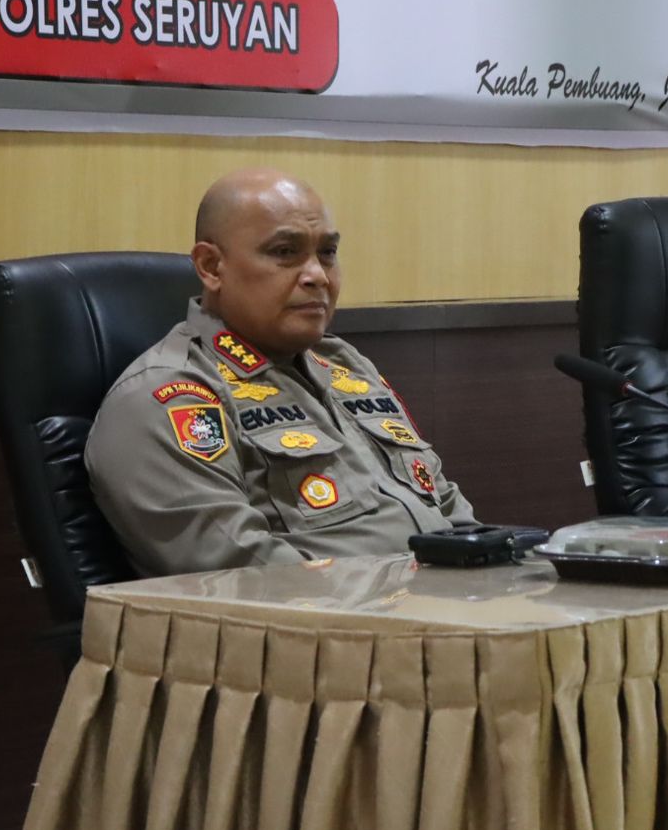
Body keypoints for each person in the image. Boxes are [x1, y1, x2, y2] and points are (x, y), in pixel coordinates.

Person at [86, 168, 474, 576]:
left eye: (327, 252)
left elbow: (450, 513)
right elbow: (243, 573)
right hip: (334, 612)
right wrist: (412, 599)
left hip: (439, 603)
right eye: (285, 252)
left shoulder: (345, 366)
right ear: (211, 266)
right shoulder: (170, 395)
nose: (317, 276)